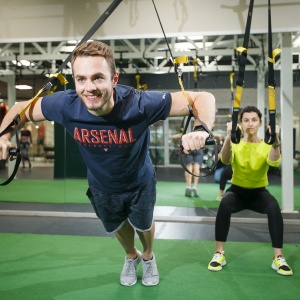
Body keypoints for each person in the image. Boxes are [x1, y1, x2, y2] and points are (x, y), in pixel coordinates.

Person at [0, 41, 216, 287]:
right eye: (81, 79)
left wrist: (201, 129)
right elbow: (21, 109)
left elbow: (202, 98)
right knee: (116, 226)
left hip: (139, 183)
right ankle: (130, 255)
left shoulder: (139, 103)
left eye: (97, 78)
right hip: (102, 186)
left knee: (143, 225)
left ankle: (147, 256)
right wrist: (4, 136)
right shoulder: (65, 104)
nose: (88, 88)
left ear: (114, 79)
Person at [208, 106, 293, 276]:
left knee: (274, 208)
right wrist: (228, 137)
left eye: (254, 120)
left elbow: (275, 162)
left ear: (260, 123)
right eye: (246, 120)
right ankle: (219, 254)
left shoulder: (266, 145)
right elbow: (224, 159)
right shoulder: (236, 143)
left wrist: (277, 142)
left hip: (258, 193)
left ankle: (278, 257)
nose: (250, 124)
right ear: (240, 124)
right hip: (237, 192)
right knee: (224, 203)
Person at [171, 132, 204, 197]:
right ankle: (194, 187)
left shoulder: (186, 133)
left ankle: (188, 186)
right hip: (197, 148)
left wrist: (179, 137)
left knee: (189, 166)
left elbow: (173, 138)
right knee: (196, 167)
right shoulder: (200, 132)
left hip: (189, 147)